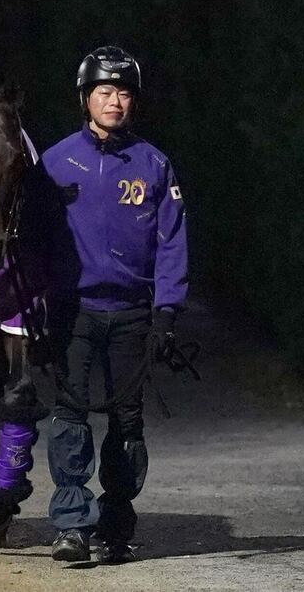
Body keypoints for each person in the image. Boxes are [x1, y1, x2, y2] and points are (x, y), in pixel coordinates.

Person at [41, 45, 188, 563]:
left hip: (130, 313)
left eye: (124, 92)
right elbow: (33, 240)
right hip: (73, 311)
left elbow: (172, 241)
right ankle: (72, 525)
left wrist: (167, 312)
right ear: (85, 98)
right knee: (71, 413)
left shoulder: (154, 165)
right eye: (105, 91)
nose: (115, 102)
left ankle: (115, 525)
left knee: (127, 422)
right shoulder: (55, 163)